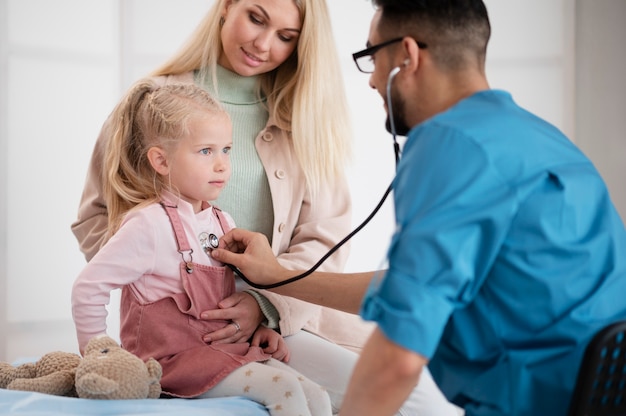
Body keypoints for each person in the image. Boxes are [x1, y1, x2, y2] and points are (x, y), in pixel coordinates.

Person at [209, 0, 626, 415]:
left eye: (372, 56)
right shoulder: (538, 138)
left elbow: (398, 357)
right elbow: (407, 288)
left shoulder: (450, 144)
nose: (371, 80)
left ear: (405, 56)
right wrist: (280, 278)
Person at [71, 0, 461, 414]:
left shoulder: (307, 115)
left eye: (286, 37)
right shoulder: (148, 104)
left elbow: (324, 239)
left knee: (419, 402)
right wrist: (160, 285)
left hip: (283, 308)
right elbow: (96, 218)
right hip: (182, 317)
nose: (263, 43)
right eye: (255, 19)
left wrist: (266, 306)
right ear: (226, 6)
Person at [71, 79, 333, 415]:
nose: (222, 164)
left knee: (317, 395)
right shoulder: (148, 225)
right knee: (285, 390)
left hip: (219, 353)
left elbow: (228, 300)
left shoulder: (223, 221)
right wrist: (98, 354)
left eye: (226, 149)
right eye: (206, 151)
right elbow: (87, 288)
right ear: (161, 161)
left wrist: (262, 331)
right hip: (172, 363)